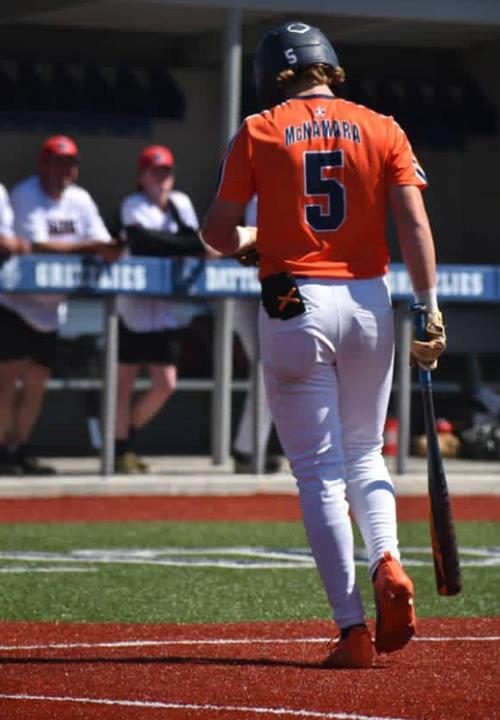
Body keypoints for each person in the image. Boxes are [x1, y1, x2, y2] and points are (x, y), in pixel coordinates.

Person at [202, 21, 446, 668]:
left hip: (294, 301)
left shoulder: (259, 128)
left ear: (273, 73)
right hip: (369, 301)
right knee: (366, 453)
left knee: (317, 471)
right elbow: (414, 224)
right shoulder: (383, 126)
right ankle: (386, 557)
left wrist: (254, 239)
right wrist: (429, 308)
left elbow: (216, 234)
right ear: (328, 67)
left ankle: (352, 630)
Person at [0, 135, 119, 476]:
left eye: (68, 164)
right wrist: (90, 248)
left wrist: (107, 247)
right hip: (15, 302)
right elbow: (36, 244)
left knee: (36, 382)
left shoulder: (80, 199)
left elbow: (102, 241)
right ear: (43, 165)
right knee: (7, 379)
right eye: (56, 163)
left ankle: (19, 450)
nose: (63, 170)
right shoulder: (26, 193)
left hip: (51, 309)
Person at [115, 144, 216, 473]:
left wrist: (188, 244)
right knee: (124, 381)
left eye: (166, 172)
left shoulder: (180, 203)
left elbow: (195, 242)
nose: (162, 179)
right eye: (155, 172)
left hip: (163, 305)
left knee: (166, 382)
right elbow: (142, 242)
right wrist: (187, 245)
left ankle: (128, 434)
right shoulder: (133, 204)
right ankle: (119, 450)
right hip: (132, 302)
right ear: (142, 177)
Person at [232, 195, 280, 473]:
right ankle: (248, 450)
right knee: (269, 369)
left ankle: (248, 449)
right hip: (244, 287)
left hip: (277, 282)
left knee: (271, 369)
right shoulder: (254, 196)